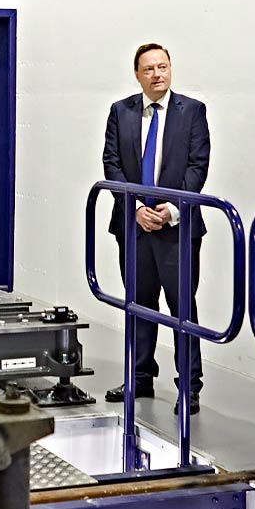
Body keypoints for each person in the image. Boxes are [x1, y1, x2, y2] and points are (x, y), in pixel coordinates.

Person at [101, 43, 211, 404]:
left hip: (177, 228)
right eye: (149, 69)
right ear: (137, 74)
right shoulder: (121, 112)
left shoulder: (192, 111)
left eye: (162, 67)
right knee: (139, 303)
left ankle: (190, 386)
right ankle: (140, 376)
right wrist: (134, 208)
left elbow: (198, 166)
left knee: (182, 307)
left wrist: (171, 210)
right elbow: (112, 164)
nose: (157, 74)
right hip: (133, 225)